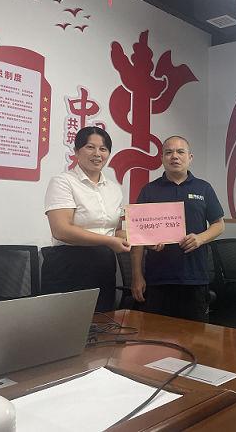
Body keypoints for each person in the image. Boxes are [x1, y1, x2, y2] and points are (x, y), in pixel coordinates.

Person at [130, 136, 224, 322]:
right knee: (155, 335)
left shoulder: (204, 188)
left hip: (194, 278)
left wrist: (200, 238)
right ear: (162, 158)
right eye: (169, 152)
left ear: (190, 157)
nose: (174, 156)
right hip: (157, 279)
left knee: (194, 336)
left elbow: (219, 224)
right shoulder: (149, 190)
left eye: (180, 152)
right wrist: (136, 275)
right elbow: (137, 236)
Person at [42, 126, 130, 312]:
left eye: (103, 149)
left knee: (103, 322)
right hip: (68, 265)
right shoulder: (63, 182)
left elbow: (115, 231)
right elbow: (61, 230)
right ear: (76, 151)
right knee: (65, 324)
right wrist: (109, 241)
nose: (97, 154)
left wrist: (145, 238)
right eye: (90, 147)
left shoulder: (114, 189)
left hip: (104, 265)